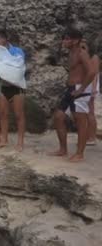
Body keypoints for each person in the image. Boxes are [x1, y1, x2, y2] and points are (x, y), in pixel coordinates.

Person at [49, 29, 96, 162]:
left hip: (80, 89)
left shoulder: (82, 53)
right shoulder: (72, 52)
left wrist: (81, 89)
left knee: (80, 122)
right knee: (58, 117)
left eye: (67, 38)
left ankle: (80, 154)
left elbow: (92, 72)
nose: (64, 41)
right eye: (64, 38)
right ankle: (63, 149)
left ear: (75, 40)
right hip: (70, 89)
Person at [0, 31, 27, 151]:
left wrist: (4, 65)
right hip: (2, 86)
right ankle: (4, 140)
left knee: (18, 115)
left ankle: (20, 142)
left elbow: (18, 66)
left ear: (4, 40)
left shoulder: (17, 51)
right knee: (3, 114)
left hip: (17, 87)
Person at [80, 40, 100, 146]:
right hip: (85, 86)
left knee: (90, 112)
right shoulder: (85, 57)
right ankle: (88, 136)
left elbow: (95, 74)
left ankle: (92, 137)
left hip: (91, 87)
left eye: (84, 44)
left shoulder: (94, 57)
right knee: (85, 112)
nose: (82, 46)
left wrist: (93, 89)